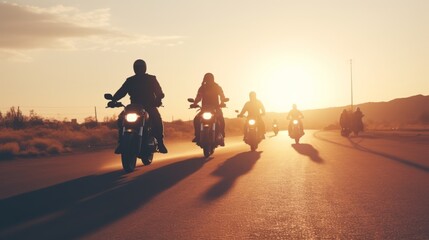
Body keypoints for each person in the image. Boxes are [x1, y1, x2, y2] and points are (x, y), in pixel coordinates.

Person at [112, 59, 168, 153]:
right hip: (134, 107)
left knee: (157, 119)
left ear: (144, 68)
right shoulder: (130, 80)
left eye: (140, 67)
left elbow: (159, 91)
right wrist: (113, 99)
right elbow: (122, 91)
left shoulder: (151, 79)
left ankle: (160, 142)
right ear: (134, 68)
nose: (139, 69)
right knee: (121, 118)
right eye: (137, 68)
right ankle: (121, 142)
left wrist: (158, 99)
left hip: (149, 105)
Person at [191, 73, 227, 145]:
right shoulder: (202, 88)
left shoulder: (217, 87)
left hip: (216, 108)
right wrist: (194, 103)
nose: (208, 80)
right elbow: (199, 97)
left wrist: (223, 101)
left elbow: (222, 95)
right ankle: (197, 136)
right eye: (207, 79)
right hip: (205, 108)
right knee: (196, 119)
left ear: (212, 79)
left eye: (210, 79)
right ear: (205, 79)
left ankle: (221, 135)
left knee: (221, 119)